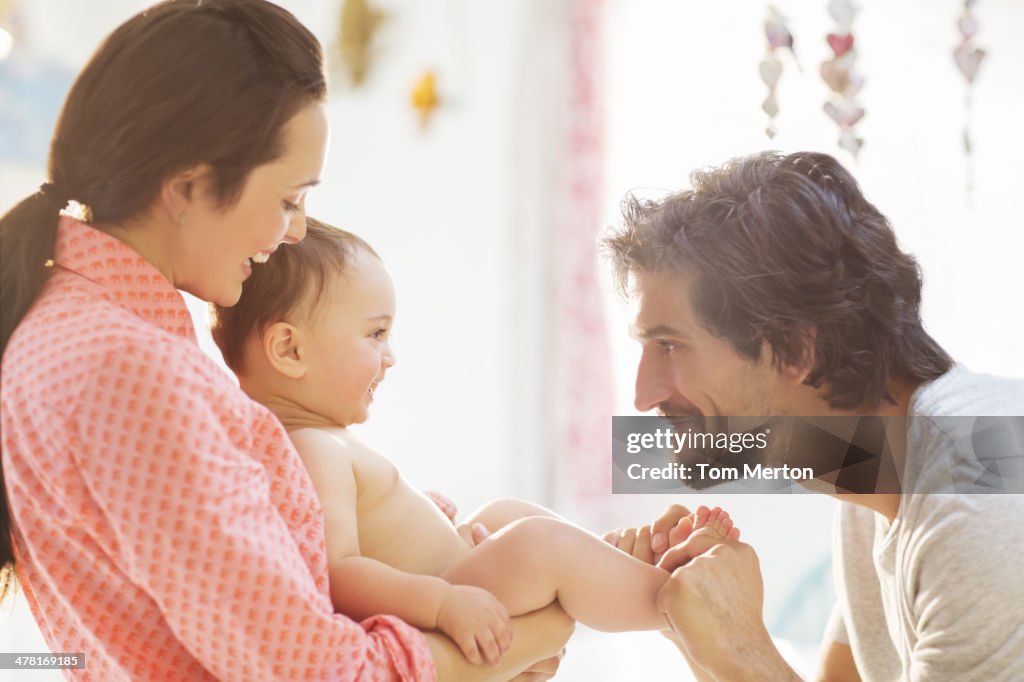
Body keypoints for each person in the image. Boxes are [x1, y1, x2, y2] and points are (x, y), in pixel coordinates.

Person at [0, 2, 571, 680]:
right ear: (187, 186)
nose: (296, 231)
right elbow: (318, 674)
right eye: (288, 199)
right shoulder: (127, 370)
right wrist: (545, 619)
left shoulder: (70, 330)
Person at [208, 218, 742, 669]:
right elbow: (340, 573)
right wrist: (442, 603)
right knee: (538, 545)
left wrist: (434, 526)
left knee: (505, 513)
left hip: (451, 576)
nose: (390, 356)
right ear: (289, 350)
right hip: (440, 596)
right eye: (374, 335)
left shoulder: (317, 440)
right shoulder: (314, 449)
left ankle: (614, 567)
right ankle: (674, 601)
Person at [602, 150, 1024, 681]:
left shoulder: (980, 496)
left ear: (797, 351)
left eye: (670, 345)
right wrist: (691, 626)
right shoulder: (869, 490)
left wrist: (740, 647)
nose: (643, 396)